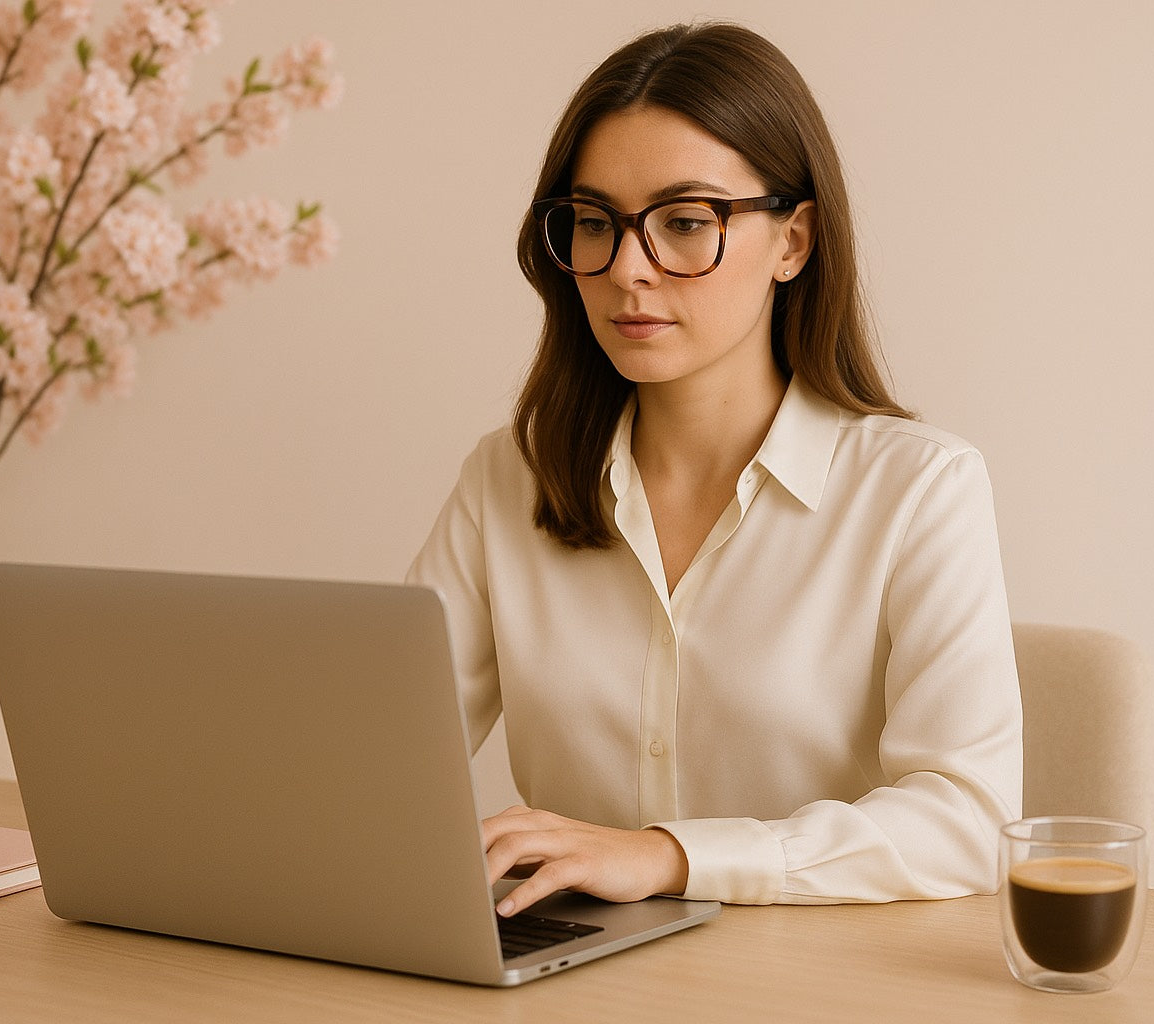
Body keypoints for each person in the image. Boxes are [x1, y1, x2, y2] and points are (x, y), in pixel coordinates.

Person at [407, 22, 1022, 917]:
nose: (627, 271)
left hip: (814, 988)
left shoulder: (919, 490)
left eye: (685, 224)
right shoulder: (511, 478)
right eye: (593, 223)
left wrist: (671, 857)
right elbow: (380, 764)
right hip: (572, 981)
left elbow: (966, 820)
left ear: (794, 242)